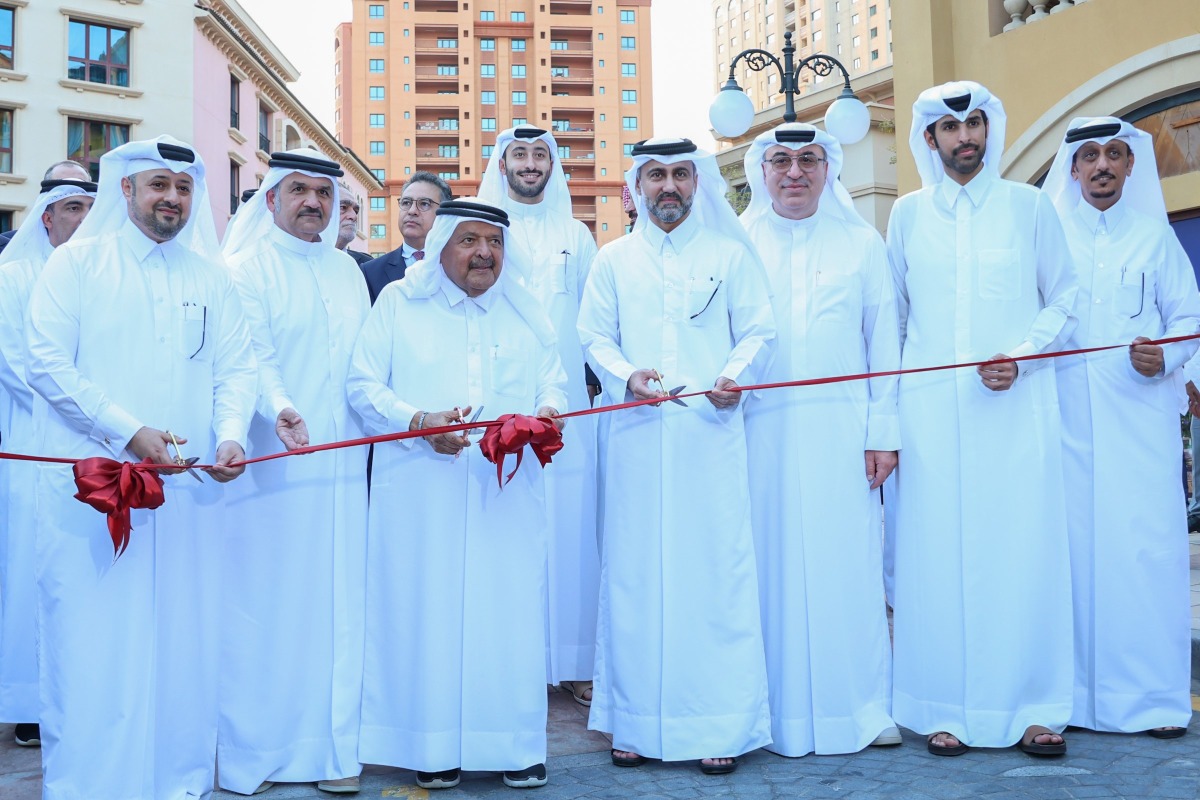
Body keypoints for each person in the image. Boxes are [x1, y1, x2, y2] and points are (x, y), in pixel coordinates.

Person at [24, 135, 257, 800]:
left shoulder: (212, 277)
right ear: (125, 190)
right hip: (95, 495)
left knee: (182, 636)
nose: (173, 199)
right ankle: (92, 786)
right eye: (159, 186)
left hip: (188, 500)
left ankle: (177, 783)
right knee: (94, 640)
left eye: (184, 189)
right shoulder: (77, 266)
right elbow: (46, 362)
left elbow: (236, 366)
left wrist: (233, 435)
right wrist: (129, 432)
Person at [347, 198, 567, 791]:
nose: (484, 253)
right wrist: (418, 422)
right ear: (441, 245)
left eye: (493, 242)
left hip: (506, 491)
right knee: (426, 609)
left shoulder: (525, 309)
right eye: (469, 240)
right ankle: (431, 746)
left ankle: (514, 746)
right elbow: (362, 385)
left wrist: (550, 411)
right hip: (421, 490)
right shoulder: (399, 303)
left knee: (509, 609)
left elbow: (554, 378)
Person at [886, 81, 1078, 757]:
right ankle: (945, 709)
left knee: (1022, 554)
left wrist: (1022, 358)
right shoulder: (906, 217)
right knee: (936, 560)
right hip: (933, 419)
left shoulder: (1029, 208)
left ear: (989, 131)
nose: (964, 137)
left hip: (1016, 411)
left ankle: (1035, 708)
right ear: (930, 139)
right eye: (949, 127)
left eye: (974, 125)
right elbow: (897, 321)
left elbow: (1065, 299)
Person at [577, 137, 775, 775]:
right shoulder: (613, 259)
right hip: (634, 440)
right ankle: (632, 723)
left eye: (681, 175)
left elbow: (759, 332)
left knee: (713, 573)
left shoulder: (728, 256)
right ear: (637, 185)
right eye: (656, 175)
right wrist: (627, 375)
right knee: (636, 575)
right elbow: (593, 336)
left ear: (699, 183)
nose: (669, 186)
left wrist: (734, 377)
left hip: (710, 440)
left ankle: (719, 722)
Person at [740, 123, 902, 756]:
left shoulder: (862, 243)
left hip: (844, 434)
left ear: (828, 169)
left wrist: (883, 433)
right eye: (780, 160)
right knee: (765, 567)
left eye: (808, 159)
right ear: (762, 171)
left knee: (848, 567)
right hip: (759, 432)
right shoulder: (740, 243)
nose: (794, 172)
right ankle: (766, 712)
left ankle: (859, 709)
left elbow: (884, 342)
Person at [218, 149, 371, 795]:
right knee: (269, 605)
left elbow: (365, 364)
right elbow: (251, 358)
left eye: (323, 192)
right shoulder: (243, 269)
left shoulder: (346, 271)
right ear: (272, 198)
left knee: (338, 604)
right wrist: (281, 409)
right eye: (300, 191)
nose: (314, 202)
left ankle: (334, 752)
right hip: (273, 471)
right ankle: (258, 753)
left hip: (344, 467)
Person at [1043, 116, 1200, 739]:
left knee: (1143, 554)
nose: (1102, 165)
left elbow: (1188, 319)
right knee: (1072, 557)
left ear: (1132, 166)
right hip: (1066, 428)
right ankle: (1074, 701)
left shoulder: (1153, 239)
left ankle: (1153, 700)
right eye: (1090, 156)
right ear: (1073, 168)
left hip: (1140, 426)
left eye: (1114, 154)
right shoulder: (1050, 236)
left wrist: (1167, 354)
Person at [479, 126, 601, 705]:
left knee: (572, 527)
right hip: (500, 391)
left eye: (540, 156)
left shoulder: (576, 234)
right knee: (505, 524)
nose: (530, 165)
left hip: (568, 402)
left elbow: (593, 320)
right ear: (501, 164)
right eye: (519, 155)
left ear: (553, 167)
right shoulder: (482, 229)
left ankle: (577, 662)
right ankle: (510, 658)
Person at [0, 160, 95, 748]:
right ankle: (30, 700)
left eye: (90, 207)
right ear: (47, 217)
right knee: (33, 568)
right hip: (35, 442)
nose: (82, 219)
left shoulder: (95, 274)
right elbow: (18, 365)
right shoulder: (15, 278)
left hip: (100, 443)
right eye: (71, 208)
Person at [360, 172, 451, 304]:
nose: (412, 211)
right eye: (406, 202)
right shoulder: (371, 272)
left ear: (443, 213)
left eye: (424, 204)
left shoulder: (456, 267)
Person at [336, 189, 372, 266]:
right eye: (343, 207)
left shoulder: (369, 264)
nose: (354, 216)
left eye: (356, 211)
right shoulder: (304, 261)